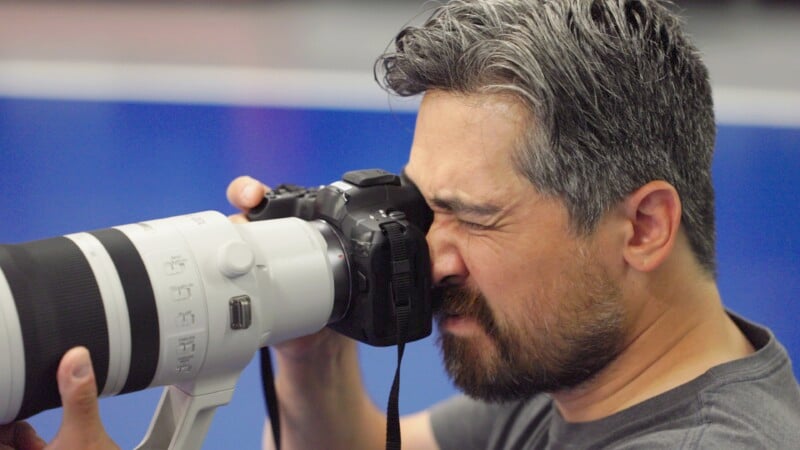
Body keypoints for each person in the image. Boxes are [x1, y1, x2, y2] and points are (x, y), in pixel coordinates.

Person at [3, 0, 800, 448]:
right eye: (423, 207)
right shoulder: (577, 370)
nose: (430, 254)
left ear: (643, 227)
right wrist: (305, 327)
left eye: (475, 218)